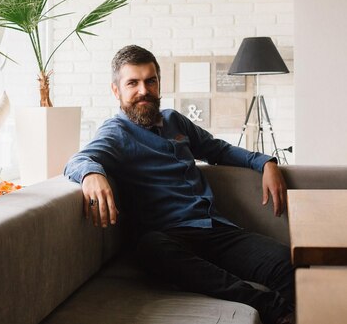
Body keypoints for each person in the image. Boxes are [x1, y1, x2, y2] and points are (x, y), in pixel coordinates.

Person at [64, 45, 295, 324]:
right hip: (167, 238)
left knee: (286, 262)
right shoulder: (116, 133)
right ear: (116, 91)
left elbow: (217, 150)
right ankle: (268, 306)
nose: (143, 91)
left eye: (150, 81)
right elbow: (79, 159)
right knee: (152, 249)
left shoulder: (175, 120)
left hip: (214, 229)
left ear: (159, 83)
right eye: (132, 83)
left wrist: (265, 162)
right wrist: (91, 174)